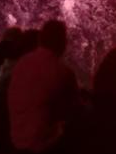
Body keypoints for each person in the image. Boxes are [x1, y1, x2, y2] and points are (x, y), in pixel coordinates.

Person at [7, 20, 78, 153]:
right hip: (43, 147)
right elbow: (74, 112)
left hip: (15, 143)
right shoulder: (62, 71)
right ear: (62, 42)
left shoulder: (21, 63)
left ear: (41, 39)